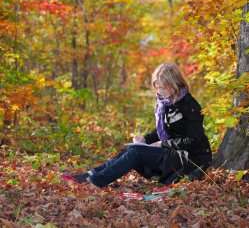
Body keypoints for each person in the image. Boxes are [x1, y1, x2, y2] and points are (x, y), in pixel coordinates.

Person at [61, 62, 212, 188]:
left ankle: (96, 182)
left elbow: (194, 141)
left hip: (190, 158)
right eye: (157, 87)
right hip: (172, 152)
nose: (159, 92)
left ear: (175, 84)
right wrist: (145, 140)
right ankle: (90, 175)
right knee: (133, 148)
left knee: (136, 153)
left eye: (163, 87)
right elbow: (163, 131)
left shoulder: (189, 106)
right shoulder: (165, 104)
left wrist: (162, 144)